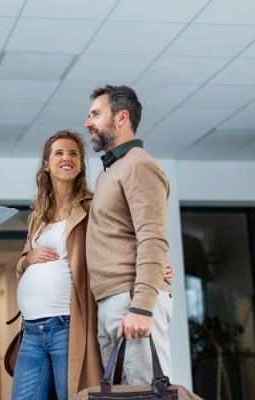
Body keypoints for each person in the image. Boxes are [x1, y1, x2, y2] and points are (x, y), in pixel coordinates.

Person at [84, 84, 173, 385]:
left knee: (146, 392)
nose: (88, 123)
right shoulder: (110, 171)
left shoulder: (138, 166)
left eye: (96, 114)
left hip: (132, 300)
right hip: (112, 301)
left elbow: (153, 239)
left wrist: (141, 307)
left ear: (121, 118)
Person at [12, 130, 101, 400]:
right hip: (31, 330)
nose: (67, 158)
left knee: (74, 397)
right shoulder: (38, 216)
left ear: (81, 165)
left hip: (67, 325)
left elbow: (117, 245)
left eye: (74, 153)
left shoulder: (93, 207)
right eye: (59, 153)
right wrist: (28, 259)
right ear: (46, 164)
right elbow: (22, 263)